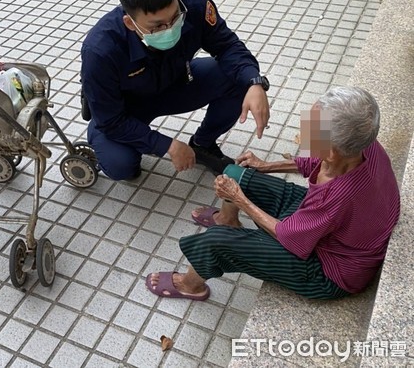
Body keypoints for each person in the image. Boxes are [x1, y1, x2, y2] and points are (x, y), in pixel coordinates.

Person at [146, 86, 400, 300]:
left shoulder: (336, 196)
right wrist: (266, 166)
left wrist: (240, 200)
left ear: (332, 151)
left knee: (216, 241)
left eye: (312, 128)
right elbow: (323, 163)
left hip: (328, 270)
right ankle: (227, 219)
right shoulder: (363, 144)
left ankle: (191, 285)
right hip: (334, 228)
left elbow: (291, 238)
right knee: (235, 173)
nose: (305, 131)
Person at [80, 0, 270, 180]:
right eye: (158, 26)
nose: (169, 28)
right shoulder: (100, 50)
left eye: (174, 18)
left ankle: (203, 144)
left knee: (239, 79)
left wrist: (254, 82)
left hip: (175, 83)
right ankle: (113, 152)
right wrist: (166, 145)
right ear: (130, 23)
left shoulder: (195, 4)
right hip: (126, 109)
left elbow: (228, 46)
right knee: (121, 166)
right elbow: (111, 120)